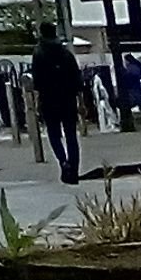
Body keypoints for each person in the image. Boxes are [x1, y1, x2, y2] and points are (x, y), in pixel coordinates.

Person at [29, 25, 85, 183]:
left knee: (54, 134)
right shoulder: (66, 53)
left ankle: (63, 162)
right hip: (68, 99)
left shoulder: (39, 53)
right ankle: (73, 168)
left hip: (49, 99)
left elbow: (37, 82)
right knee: (71, 135)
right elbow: (77, 78)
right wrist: (80, 101)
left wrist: (36, 101)